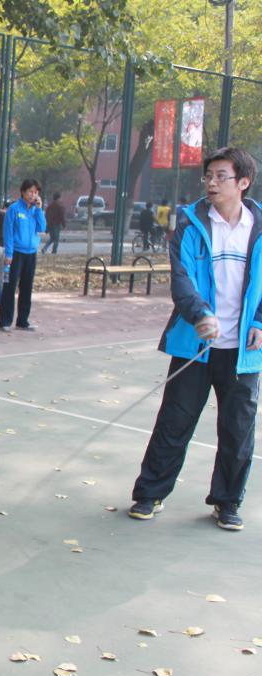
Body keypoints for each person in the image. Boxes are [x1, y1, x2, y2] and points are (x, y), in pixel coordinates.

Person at [129, 147, 262, 532]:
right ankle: (150, 493)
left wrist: (259, 320)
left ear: (243, 182)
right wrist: (201, 314)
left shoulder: (258, 227)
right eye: (208, 176)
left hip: (243, 352)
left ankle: (227, 501)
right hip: (196, 346)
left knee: (238, 430)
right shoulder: (191, 223)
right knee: (174, 422)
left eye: (221, 176)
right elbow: (182, 278)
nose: (211, 183)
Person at [0, 179, 46, 332]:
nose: (33, 195)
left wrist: (39, 210)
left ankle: (23, 321)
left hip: (31, 253)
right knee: (10, 286)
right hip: (16, 253)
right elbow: (8, 232)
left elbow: (42, 228)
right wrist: (9, 253)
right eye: (30, 191)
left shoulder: (35, 210)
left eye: (35, 192)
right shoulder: (14, 209)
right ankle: (5, 321)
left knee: (27, 287)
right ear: (23, 192)